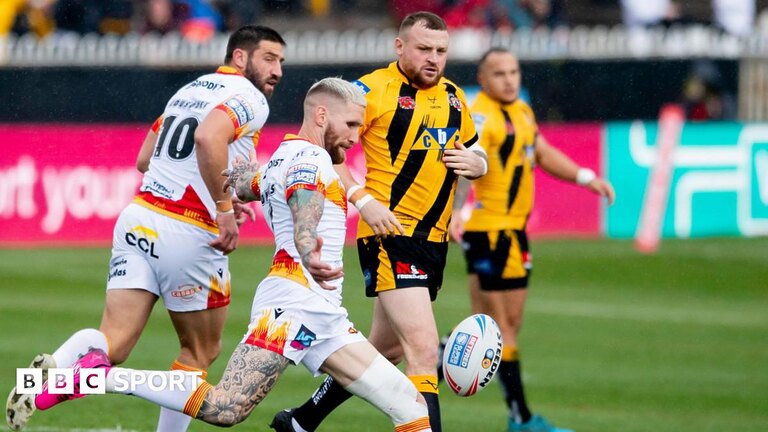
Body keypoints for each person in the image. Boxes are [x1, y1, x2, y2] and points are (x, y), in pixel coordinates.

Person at [33, 77, 433, 432]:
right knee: (227, 407)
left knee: (410, 408)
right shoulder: (311, 161)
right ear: (322, 115)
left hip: (323, 314)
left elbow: (249, 183)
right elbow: (304, 203)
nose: (355, 136)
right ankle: (99, 378)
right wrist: (308, 247)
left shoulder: (283, 155)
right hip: (294, 303)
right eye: (350, 125)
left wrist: (237, 186)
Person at [5, 24, 285, 432]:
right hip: (188, 232)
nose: (278, 70)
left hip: (139, 217)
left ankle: (31, 384)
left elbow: (144, 158)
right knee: (199, 351)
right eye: (269, 58)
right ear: (240, 57)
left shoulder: (188, 91)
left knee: (112, 341)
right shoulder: (249, 98)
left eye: (281, 61)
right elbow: (209, 137)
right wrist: (223, 208)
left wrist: (220, 189)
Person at [270, 11, 487, 432]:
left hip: (433, 239)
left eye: (441, 51)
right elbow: (327, 151)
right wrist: (361, 198)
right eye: (424, 49)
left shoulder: (455, 98)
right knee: (424, 352)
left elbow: (474, 155)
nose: (434, 59)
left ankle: (299, 421)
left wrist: (475, 166)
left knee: (384, 351)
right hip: (391, 234)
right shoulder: (371, 91)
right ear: (399, 47)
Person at [447, 48, 615, 432]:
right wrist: (457, 211)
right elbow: (462, 165)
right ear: (483, 78)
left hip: (513, 232)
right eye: (499, 73)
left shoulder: (521, 112)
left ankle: (427, 371)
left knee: (501, 325)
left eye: (514, 71)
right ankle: (521, 419)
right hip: (490, 231)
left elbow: (540, 150)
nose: (509, 79)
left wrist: (586, 178)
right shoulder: (482, 116)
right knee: (500, 328)